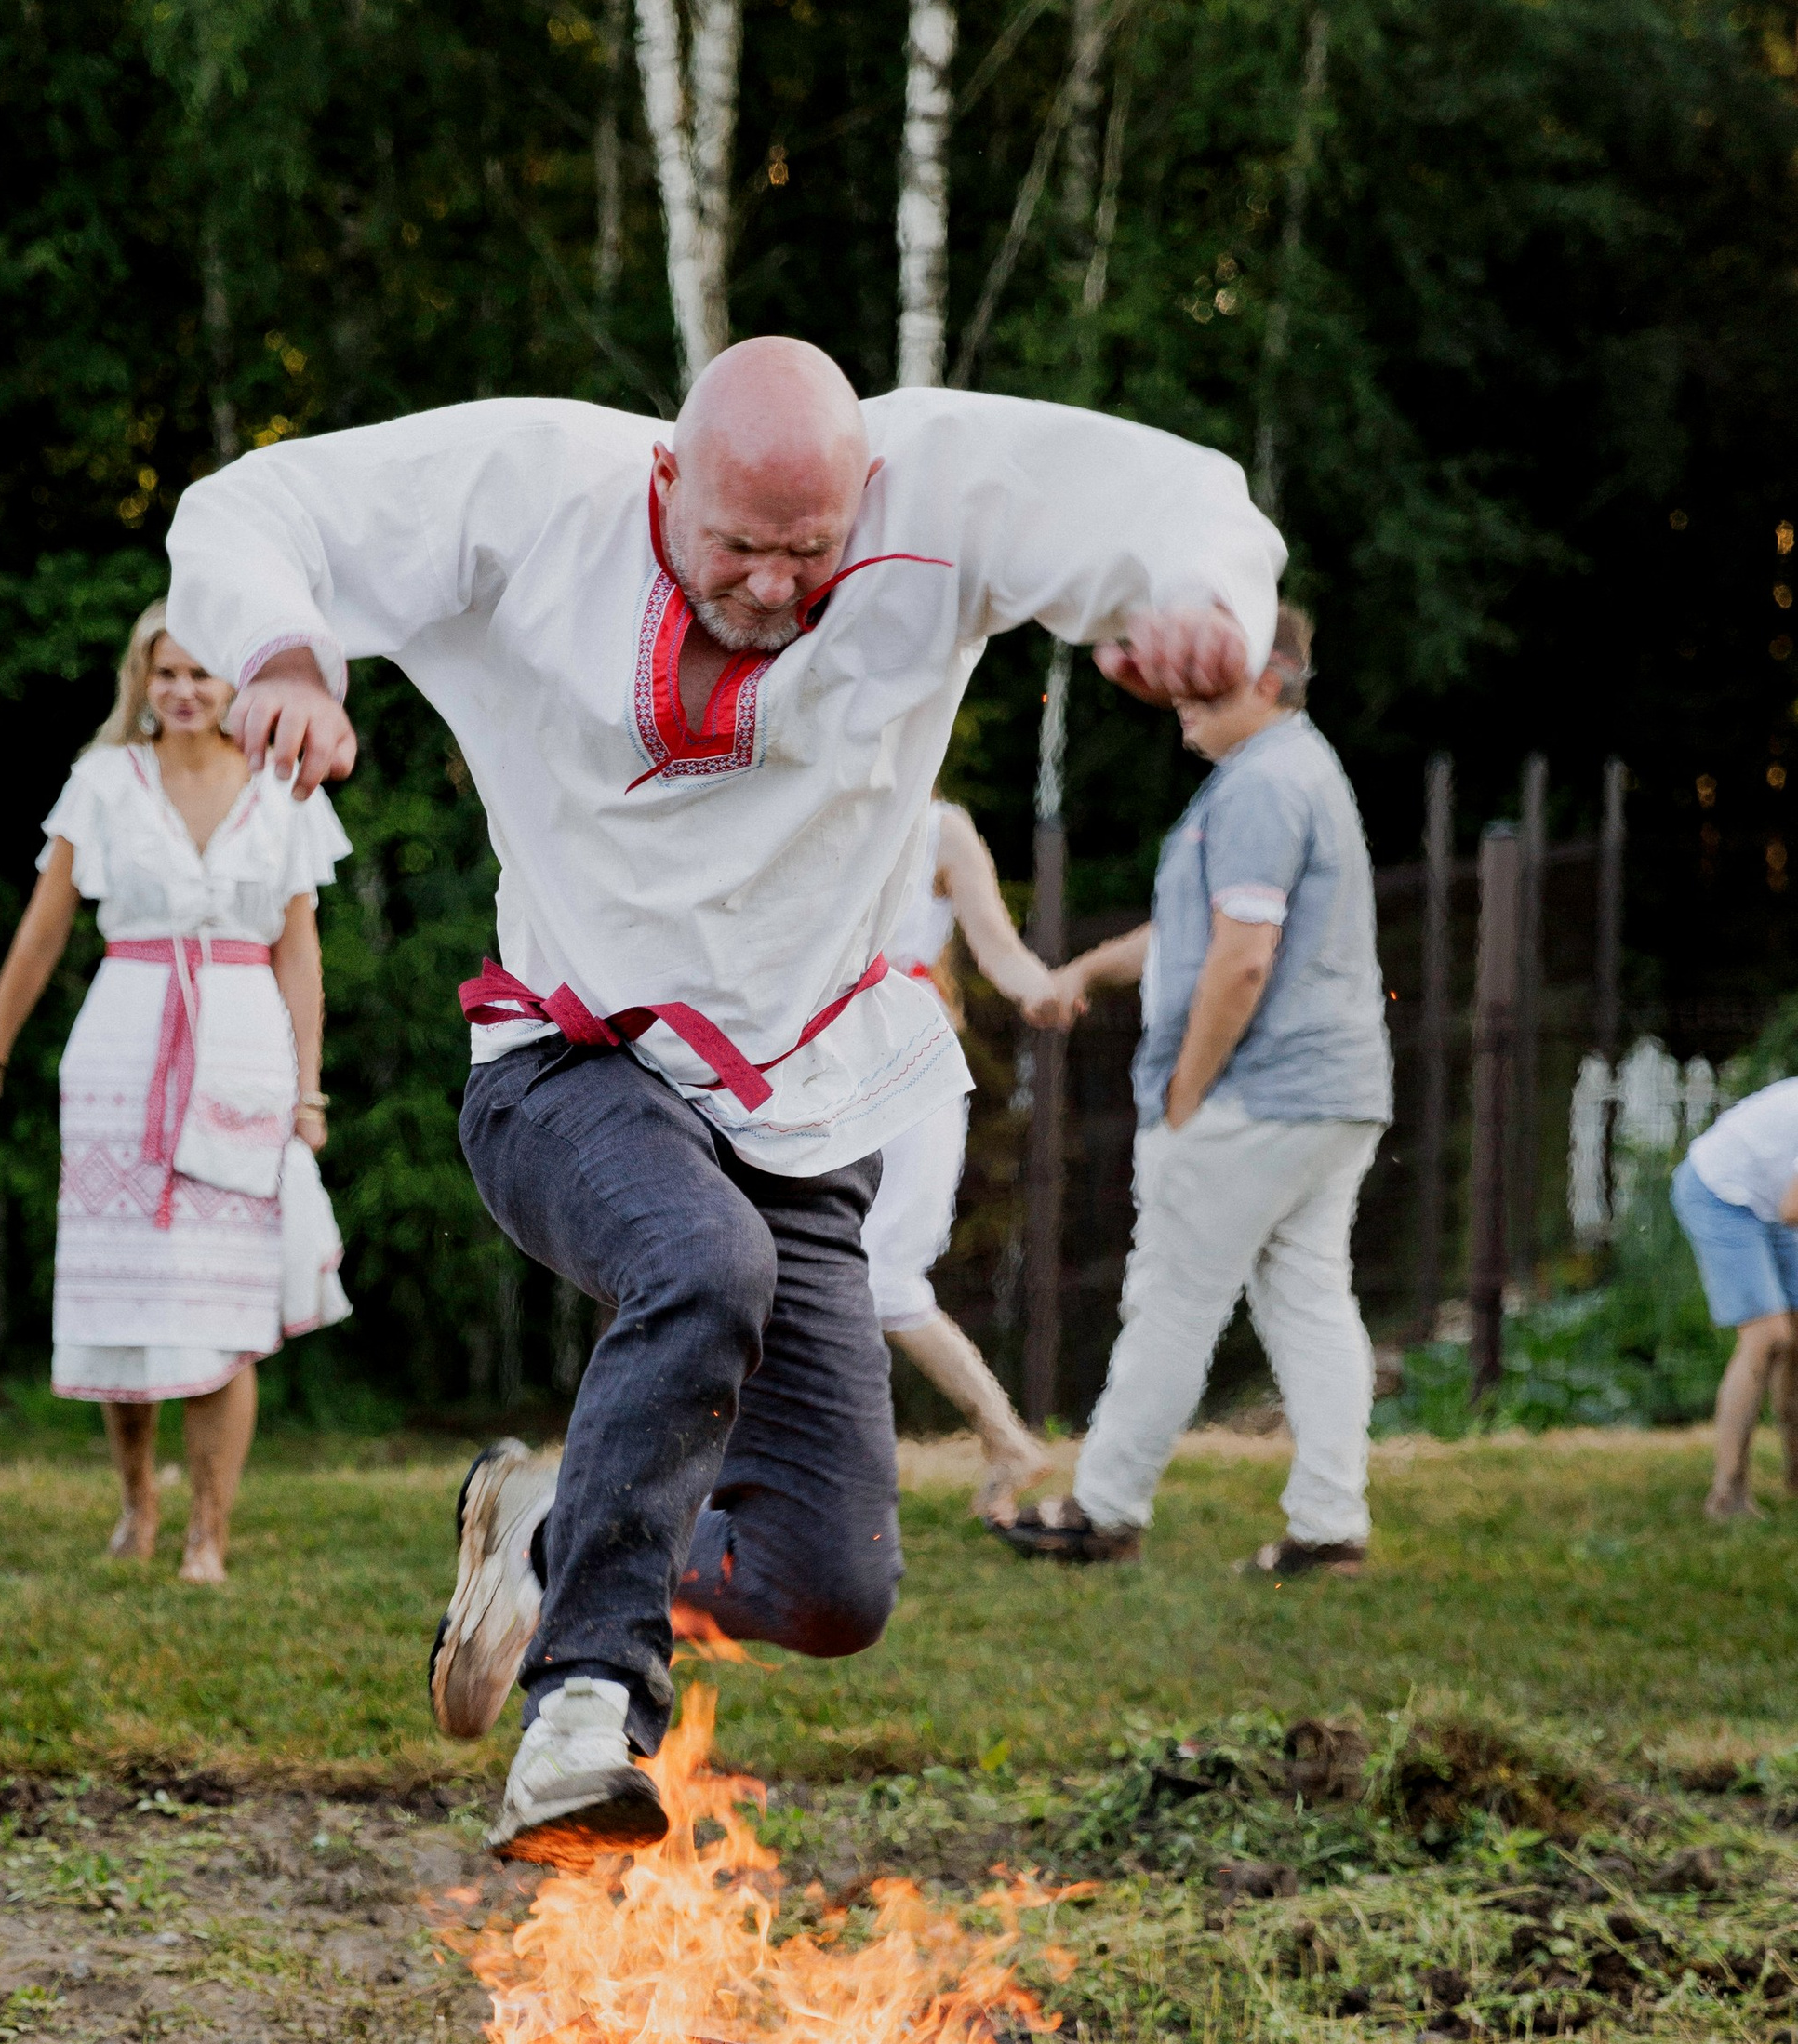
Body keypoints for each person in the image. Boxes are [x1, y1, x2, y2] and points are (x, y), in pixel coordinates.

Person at [165, 339, 1280, 1858]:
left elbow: (1177, 499)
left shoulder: (937, 483)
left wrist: (1213, 609)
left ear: (863, 499)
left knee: (832, 1586)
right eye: (737, 550)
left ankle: (562, 1537)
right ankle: (583, 1714)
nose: (771, 588)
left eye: (811, 555)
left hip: (800, 1109)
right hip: (568, 1066)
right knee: (703, 1264)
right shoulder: (536, 488)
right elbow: (256, 509)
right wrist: (286, 657)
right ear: (666, 482)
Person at [0, 603, 349, 1584]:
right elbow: (42, 931)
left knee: (224, 1300)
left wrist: (309, 1093)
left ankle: (211, 1532)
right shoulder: (103, 782)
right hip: (125, 1042)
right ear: (143, 680)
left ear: (237, 688)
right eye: (165, 674)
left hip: (242, 1043)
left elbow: (300, 952)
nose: (182, 692)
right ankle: (138, 1501)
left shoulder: (282, 786)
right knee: (125, 1291)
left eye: (202, 675)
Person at [1000, 601, 1392, 1575]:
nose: (1178, 699)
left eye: (1203, 680)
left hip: (1253, 1098)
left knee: (1172, 1299)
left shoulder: (1261, 787)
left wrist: (1186, 1091)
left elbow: (1241, 958)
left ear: (1270, 678)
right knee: (1309, 1301)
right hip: (1332, 1093)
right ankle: (1329, 1523)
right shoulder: (1289, 772)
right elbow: (1196, 930)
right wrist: (1087, 971)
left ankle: (1101, 1509)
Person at [864, 794, 1072, 1527]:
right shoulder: (812, 799)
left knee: (881, 1272)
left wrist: (1040, 988)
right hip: (814, 1066)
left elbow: (998, 946)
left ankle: (1005, 1438)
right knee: (803, 1263)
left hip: (910, 1061)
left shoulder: (937, 828)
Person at [1670, 1078, 1798, 1519]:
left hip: (1773, 1198)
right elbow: (1793, 1210)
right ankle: (1728, 1497)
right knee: (1768, 1336)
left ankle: (1796, 1481)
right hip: (1719, 1192)